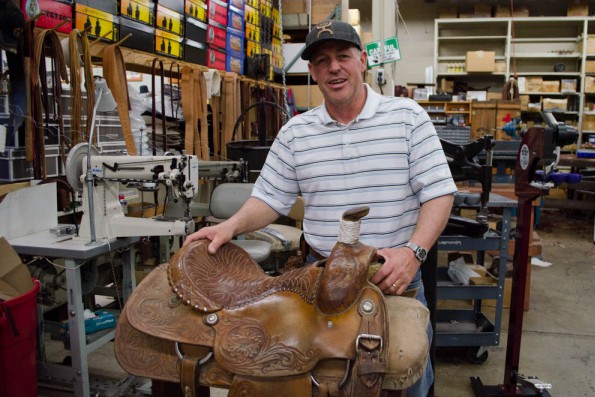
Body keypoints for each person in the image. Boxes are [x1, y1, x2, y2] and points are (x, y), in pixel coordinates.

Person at [185, 20, 457, 397]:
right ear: (312, 72)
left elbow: (440, 193)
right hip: (320, 283)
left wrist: (413, 253)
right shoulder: (297, 132)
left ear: (362, 61)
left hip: (393, 278)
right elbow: (270, 198)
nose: (334, 67)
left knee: (404, 380)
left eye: (343, 57)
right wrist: (228, 227)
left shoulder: (408, 118)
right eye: (323, 61)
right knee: (321, 379)